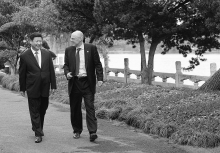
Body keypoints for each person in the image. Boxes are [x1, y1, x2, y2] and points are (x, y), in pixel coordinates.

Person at [63, 30, 103, 142]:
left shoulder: (91, 48)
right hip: (74, 82)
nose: (71, 40)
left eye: (73, 38)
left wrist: (100, 78)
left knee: (90, 107)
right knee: (75, 108)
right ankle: (77, 130)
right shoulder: (68, 50)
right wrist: (67, 73)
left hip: (87, 82)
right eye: (71, 38)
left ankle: (92, 132)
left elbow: (98, 64)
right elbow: (66, 65)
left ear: (80, 38)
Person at [19, 32, 57, 143]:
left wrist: (53, 85)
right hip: (32, 87)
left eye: (40, 41)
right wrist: (22, 88)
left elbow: (51, 71)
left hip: (45, 86)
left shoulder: (47, 54)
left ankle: (37, 126)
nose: (39, 43)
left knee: (43, 109)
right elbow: (22, 73)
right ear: (31, 42)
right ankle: (38, 133)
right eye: (37, 41)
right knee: (34, 110)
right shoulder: (24, 56)